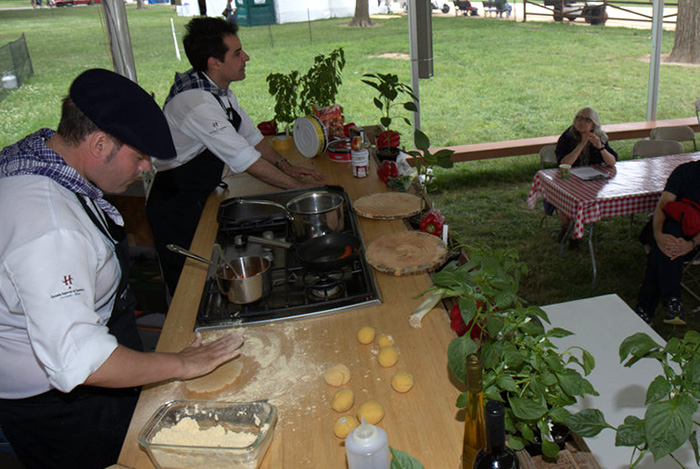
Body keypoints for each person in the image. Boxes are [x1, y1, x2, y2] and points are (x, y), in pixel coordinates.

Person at [0, 68, 244, 469]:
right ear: (98, 144)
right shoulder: (50, 229)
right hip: (61, 408)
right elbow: (81, 361)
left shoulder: (43, 156)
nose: (146, 167)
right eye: (139, 155)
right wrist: (182, 364)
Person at [146, 17, 325, 295]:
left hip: (200, 194)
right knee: (190, 289)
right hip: (177, 206)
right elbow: (246, 159)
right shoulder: (197, 103)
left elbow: (251, 138)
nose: (246, 57)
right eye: (237, 53)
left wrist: (287, 167)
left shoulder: (219, 91)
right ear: (214, 62)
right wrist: (300, 193)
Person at [634, 161, 700, 325]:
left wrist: (691, 244)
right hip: (668, 231)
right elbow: (663, 205)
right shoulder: (685, 171)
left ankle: (647, 308)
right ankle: (672, 301)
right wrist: (658, 235)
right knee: (670, 235)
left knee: (663, 250)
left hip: (695, 241)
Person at [554, 106, 618, 248]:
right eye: (579, 118)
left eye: (587, 120)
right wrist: (582, 144)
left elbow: (612, 162)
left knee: (585, 201)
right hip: (568, 180)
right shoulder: (568, 136)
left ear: (594, 124)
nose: (581, 122)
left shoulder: (599, 136)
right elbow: (564, 163)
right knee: (564, 203)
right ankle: (569, 228)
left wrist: (600, 147)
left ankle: (573, 230)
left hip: (590, 182)